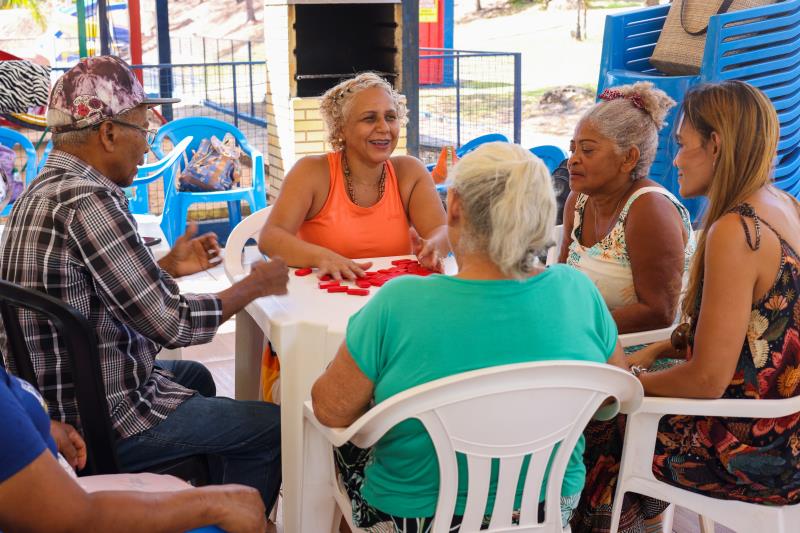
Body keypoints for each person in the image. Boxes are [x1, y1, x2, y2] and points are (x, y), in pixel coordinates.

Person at [0, 55, 288, 511]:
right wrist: (253, 285)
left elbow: (88, 287)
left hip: (56, 396)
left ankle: (189, 496)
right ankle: (233, 512)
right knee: (272, 428)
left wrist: (166, 267)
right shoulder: (89, 200)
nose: (149, 149)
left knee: (195, 377)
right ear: (108, 133)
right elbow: (173, 325)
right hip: (98, 418)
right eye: (143, 132)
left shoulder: (44, 189)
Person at [311, 142, 630, 533]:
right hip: (544, 508)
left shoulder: (400, 302)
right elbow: (609, 404)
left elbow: (331, 411)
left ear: (456, 206)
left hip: (419, 518)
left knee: (346, 447)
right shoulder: (578, 292)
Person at [628, 81, 800, 505]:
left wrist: (625, 386)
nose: (676, 159)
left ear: (716, 145)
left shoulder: (737, 231)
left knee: (596, 424)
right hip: (788, 431)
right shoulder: (783, 204)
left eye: (683, 144)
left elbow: (707, 379)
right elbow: (758, 332)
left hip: (754, 452)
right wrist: (660, 349)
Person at [0, 364, 268, 533]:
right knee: (222, 519)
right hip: (72, 506)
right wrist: (214, 504)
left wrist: (41, 421)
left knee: (195, 376)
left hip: (59, 486)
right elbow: (74, 518)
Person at [259, 72, 449, 281]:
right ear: (341, 128)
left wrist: (434, 247)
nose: (384, 128)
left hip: (391, 301)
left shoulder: (410, 172)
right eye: (369, 118)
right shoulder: (311, 172)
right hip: (320, 302)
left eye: (390, 117)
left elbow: (440, 229)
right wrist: (322, 257)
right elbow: (271, 238)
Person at [559, 81, 694, 334]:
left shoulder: (649, 209)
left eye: (587, 150)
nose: (573, 159)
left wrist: (575, 328)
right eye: (573, 148)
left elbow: (659, 312)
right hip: (591, 338)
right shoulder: (578, 200)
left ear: (628, 158)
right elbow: (564, 278)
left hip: (645, 352)